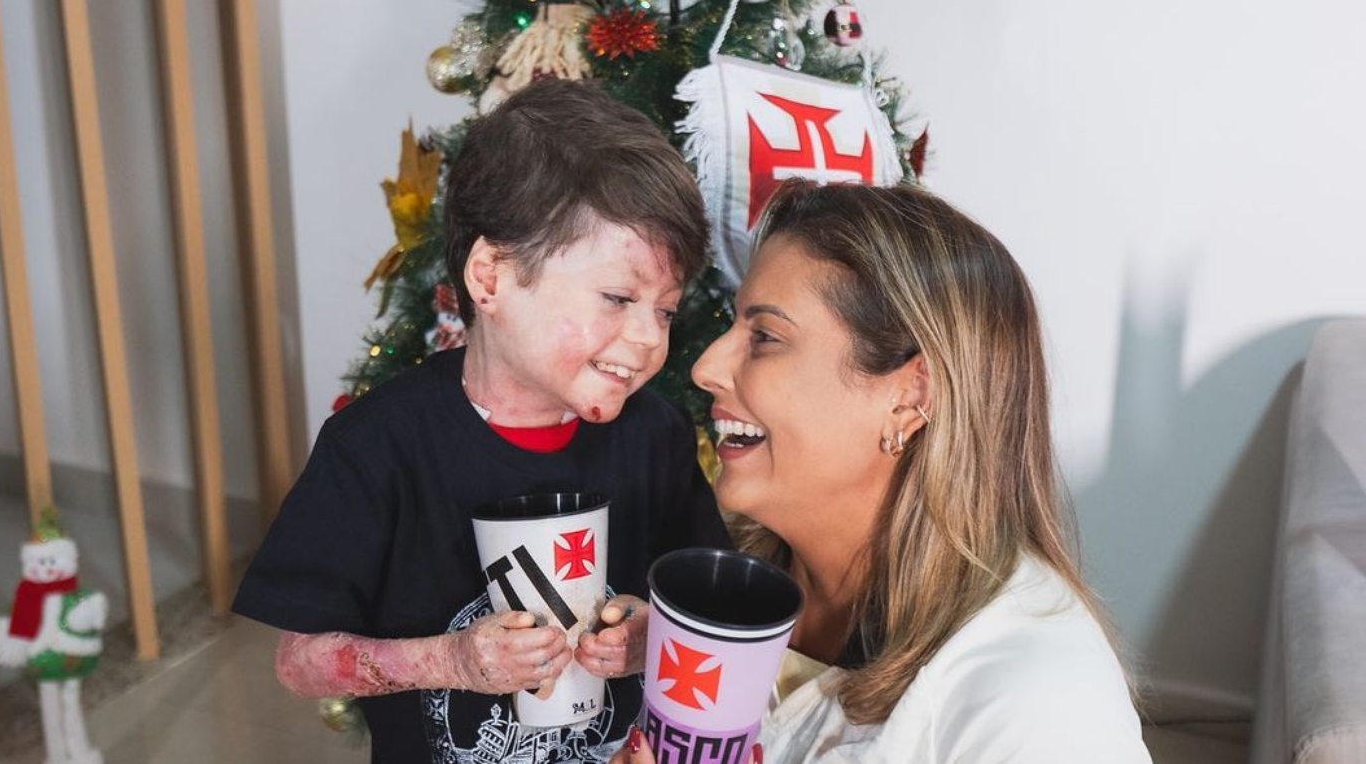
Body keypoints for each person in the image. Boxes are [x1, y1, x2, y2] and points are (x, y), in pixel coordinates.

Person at [233, 79, 732, 764]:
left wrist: (656, 636)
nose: (649, 337)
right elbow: (300, 661)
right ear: (490, 276)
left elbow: (708, 607)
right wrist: (452, 661)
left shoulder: (658, 436)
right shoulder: (377, 448)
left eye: (666, 309)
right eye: (618, 296)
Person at [615, 180, 1151, 763]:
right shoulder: (714, 573)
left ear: (908, 394)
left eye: (765, 337)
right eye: (733, 324)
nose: (705, 367)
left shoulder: (1038, 703)